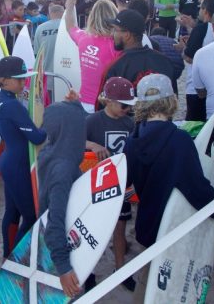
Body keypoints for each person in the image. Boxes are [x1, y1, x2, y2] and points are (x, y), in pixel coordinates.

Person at [125, 73, 214, 300]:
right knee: (168, 287)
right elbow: (195, 187)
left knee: (148, 280)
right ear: (172, 100)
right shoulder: (179, 140)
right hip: (173, 225)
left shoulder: (132, 142)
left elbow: (125, 183)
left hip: (147, 222)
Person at [37, 94, 91, 298]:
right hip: (61, 245)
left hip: (58, 237)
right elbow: (55, 221)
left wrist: (74, 103)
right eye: (80, 127)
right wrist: (64, 268)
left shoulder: (51, 152)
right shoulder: (63, 169)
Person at [0, 56, 47, 258]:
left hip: (10, 161)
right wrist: (46, 122)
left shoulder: (0, 99)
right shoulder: (13, 106)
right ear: (5, 80)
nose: (24, 83)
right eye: (20, 79)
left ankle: (8, 255)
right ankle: (15, 260)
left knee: (13, 212)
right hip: (18, 165)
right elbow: (36, 136)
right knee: (31, 216)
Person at [85, 77, 136, 291]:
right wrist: (91, 144)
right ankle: (88, 273)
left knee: (120, 229)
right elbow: (73, 139)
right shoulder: (92, 121)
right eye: (124, 105)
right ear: (109, 101)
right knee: (92, 230)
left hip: (121, 184)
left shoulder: (130, 123)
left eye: (130, 105)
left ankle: (120, 270)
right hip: (96, 185)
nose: (127, 109)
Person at [100, 9, 176, 97]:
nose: (113, 34)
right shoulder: (165, 61)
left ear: (127, 35)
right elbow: (173, 98)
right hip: (160, 110)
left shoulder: (116, 66)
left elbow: (106, 107)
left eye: (116, 30)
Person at [65, 0, 121, 112]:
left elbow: (70, 26)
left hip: (82, 102)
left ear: (92, 17)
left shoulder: (83, 38)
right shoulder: (116, 46)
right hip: (104, 106)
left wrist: (69, 8)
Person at [183, 0, 214, 121]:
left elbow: (190, 57)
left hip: (196, 87)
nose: (199, 11)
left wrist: (183, 49)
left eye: (200, 8)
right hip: (213, 85)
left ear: (205, 11)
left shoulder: (202, 29)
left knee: (194, 125)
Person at [33, 4, 64, 80]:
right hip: (65, 73)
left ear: (49, 14)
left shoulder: (40, 28)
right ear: (63, 13)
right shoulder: (69, 26)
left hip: (47, 74)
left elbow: (36, 53)